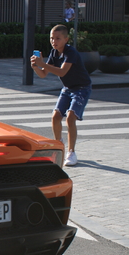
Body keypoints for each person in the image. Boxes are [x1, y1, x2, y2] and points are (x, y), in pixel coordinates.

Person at [31, 24, 92, 167]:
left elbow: (61, 72)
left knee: (71, 117)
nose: (54, 41)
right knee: (56, 116)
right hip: (68, 88)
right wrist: (35, 66)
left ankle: (71, 152)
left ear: (66, 39)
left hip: (81, 88)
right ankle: (58, 147)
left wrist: (42, 64)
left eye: (58, 38)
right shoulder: (54, 53)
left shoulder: (71, 53)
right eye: (52, 38)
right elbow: (43, 74)